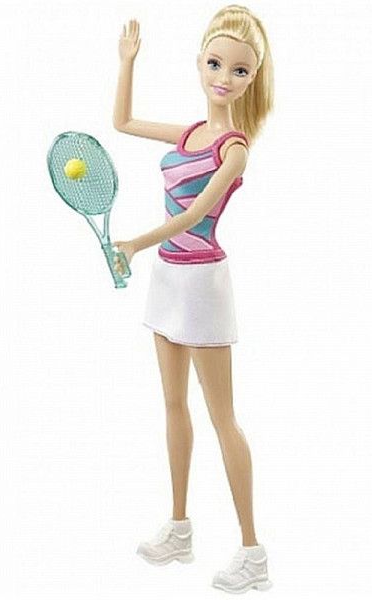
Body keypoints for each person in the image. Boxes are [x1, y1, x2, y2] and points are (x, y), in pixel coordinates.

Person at [111, 5, 274, 594]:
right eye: (215, 63)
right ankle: (179, 528)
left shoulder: (234, 148)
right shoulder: (188, 134)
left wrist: (135, 243)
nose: (223, 78)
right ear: (200, 62)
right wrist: (127, 61)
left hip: (203, 283)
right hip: (169, 278)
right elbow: (122, 122)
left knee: (222, 418)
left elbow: (194, 215)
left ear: (251, 80)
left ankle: (253, 552)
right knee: (173, 404)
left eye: (239, 70)